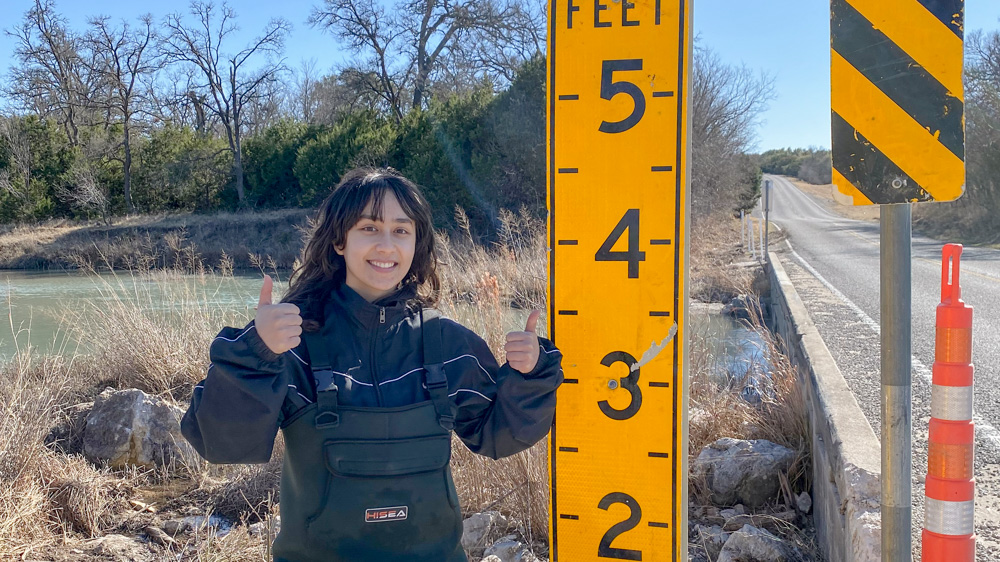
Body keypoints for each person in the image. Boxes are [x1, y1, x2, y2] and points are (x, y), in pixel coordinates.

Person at [180, 167, 563, 562]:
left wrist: (531, 374)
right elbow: (220, 444)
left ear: (417, 244)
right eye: (369, 228)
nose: (386, 245)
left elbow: (499, 436)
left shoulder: (450, 344)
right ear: (339, 241)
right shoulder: (292, 342)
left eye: (401, 231)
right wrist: (254, 353)